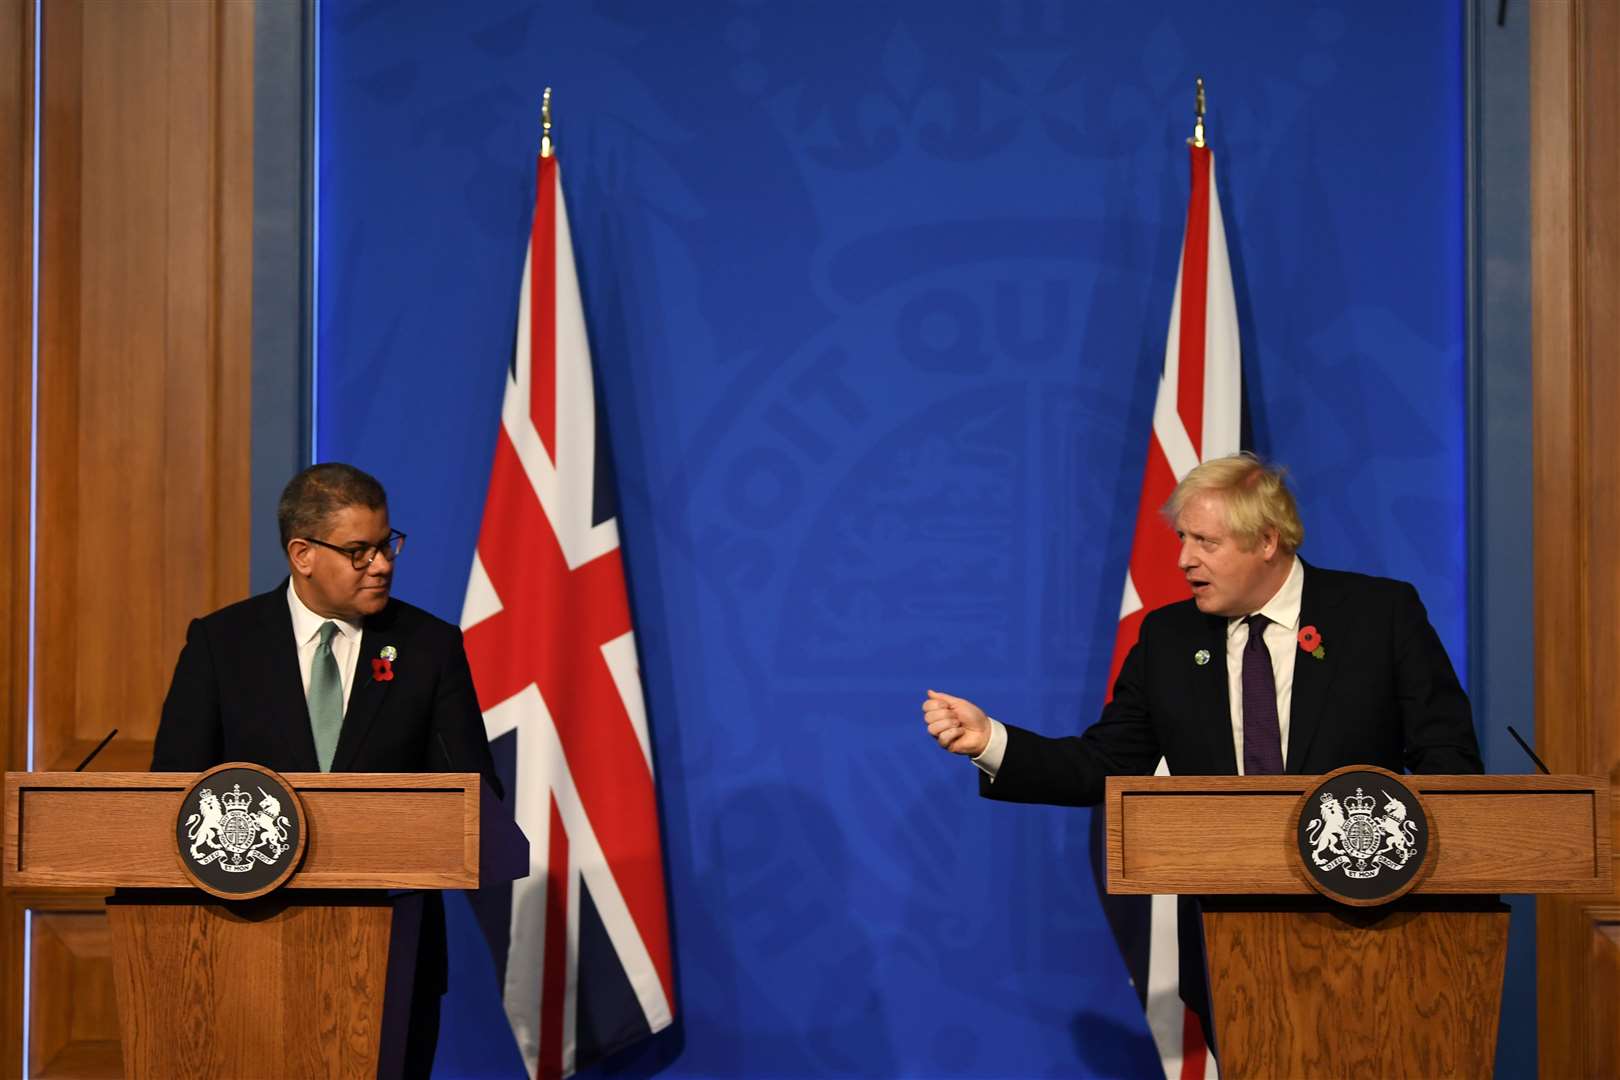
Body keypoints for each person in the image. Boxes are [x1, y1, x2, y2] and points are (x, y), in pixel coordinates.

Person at [152, 462, 501, 1077]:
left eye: (387, 544)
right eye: (359, 551)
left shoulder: (427, 646)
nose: (383, 565)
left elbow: (476, 795)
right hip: (244, 945)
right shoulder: (222, 644)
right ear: (302, 554)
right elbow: (172, 795)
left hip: (394, 951)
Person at [923, 452, 1483, 792]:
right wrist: (989, 741)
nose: (1184, 559)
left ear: (1267, 541)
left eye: (1206, 542)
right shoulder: (1169, 638)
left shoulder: (1377, 615)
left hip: (1369, 929)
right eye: (1182, 538)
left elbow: (1448, 762)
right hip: (1222, 932)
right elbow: (1108, 764)